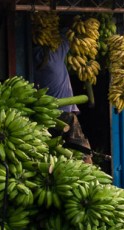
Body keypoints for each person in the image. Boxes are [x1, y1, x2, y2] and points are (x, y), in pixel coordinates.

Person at [33, 30, 91, 160]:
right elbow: (69, 34)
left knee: (56, 150)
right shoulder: (55, 55)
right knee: (82, 149)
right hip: (64, 115)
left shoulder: (33, 57)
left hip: (45, 115)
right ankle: (89, 169)